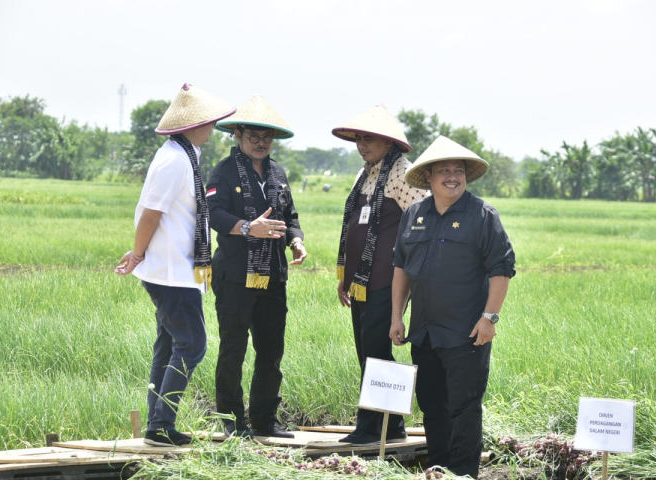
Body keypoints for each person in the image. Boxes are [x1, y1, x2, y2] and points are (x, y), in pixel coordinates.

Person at [115, 83, 235, 447]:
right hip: (170, 272)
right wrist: (137, 253)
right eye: (209, 122)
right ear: (194, 124)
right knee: (192, 344)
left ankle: (158, 423)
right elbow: (151, 213)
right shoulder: (174, 160)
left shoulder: (183, 154)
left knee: (169, 346)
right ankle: (161, 424)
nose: (213, 128)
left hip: (176, 269)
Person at [389, 135, 516, 478]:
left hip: (466, 333)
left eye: (458, 170)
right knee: (432, 404)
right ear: (428, 177)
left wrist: (489, 318)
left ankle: (462, 473)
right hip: (425, 332)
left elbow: (502, 270)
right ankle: (438, 468)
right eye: (443, 170)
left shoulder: (482, 215)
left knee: (464, 407)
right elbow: (401, 268)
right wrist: (397, 317)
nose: (452, 176)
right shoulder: (414, 214)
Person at [206, 95, 307, 438]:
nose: (260, 143)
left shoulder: (278, 172)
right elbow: (213, 214)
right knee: (233, 349)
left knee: (271, 350)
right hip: (235, 275)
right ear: (237, 135)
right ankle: (233, 422)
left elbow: (290, 215)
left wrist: (296, 240)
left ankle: (266, 420)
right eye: (253, 137)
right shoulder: (223, 171)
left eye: (266, 137)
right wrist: (250, 227)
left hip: (273, 275)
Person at [331, 105, 428, 447]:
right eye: (358, 139)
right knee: (366, 349)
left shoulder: (402, 173)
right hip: (361, 282)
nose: (361, 144)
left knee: (376, 351)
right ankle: (389, 425)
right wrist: (345, 277)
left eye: (368, 139)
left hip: (388, 280)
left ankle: (374, 426)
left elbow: (423, 218)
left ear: (388, 142)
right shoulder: (365, 174)